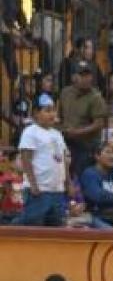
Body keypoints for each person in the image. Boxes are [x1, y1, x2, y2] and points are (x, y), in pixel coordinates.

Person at [13, 94, 70, 226]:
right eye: (47, 110)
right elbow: (26, 160)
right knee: (33, 225)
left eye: (54, 110)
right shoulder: (30, 132)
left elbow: (63, 160)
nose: (52, 114)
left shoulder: (57, 134)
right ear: (36, 113)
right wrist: (33, 185)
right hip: (39, 190)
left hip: (57, 191)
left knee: (56, 227)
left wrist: (68, 182)